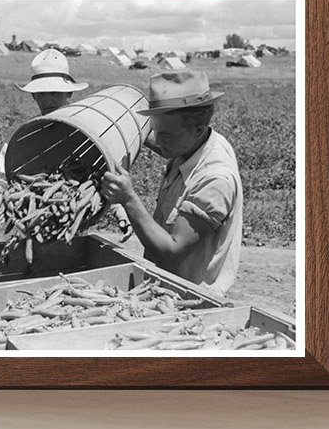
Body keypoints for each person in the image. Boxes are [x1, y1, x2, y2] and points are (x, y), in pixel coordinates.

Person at [100, 69, 242, 296]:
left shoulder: (214, 179)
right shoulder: (195, 142)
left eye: (166, 135)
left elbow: (171, 253)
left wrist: (128, 199)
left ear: (197, 130)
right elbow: (160, 139)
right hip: (166, 287)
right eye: (156, 130)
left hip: (190, 297)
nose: (159, 141)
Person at [0, 48, 89, 212]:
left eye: (54, 92)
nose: (48, 100)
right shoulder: (24, 136)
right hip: (33, 218)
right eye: (42, 93)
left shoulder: (86, 132)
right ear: (34, 96)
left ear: (69, 93)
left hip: (76, 215)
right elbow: (1, 177)